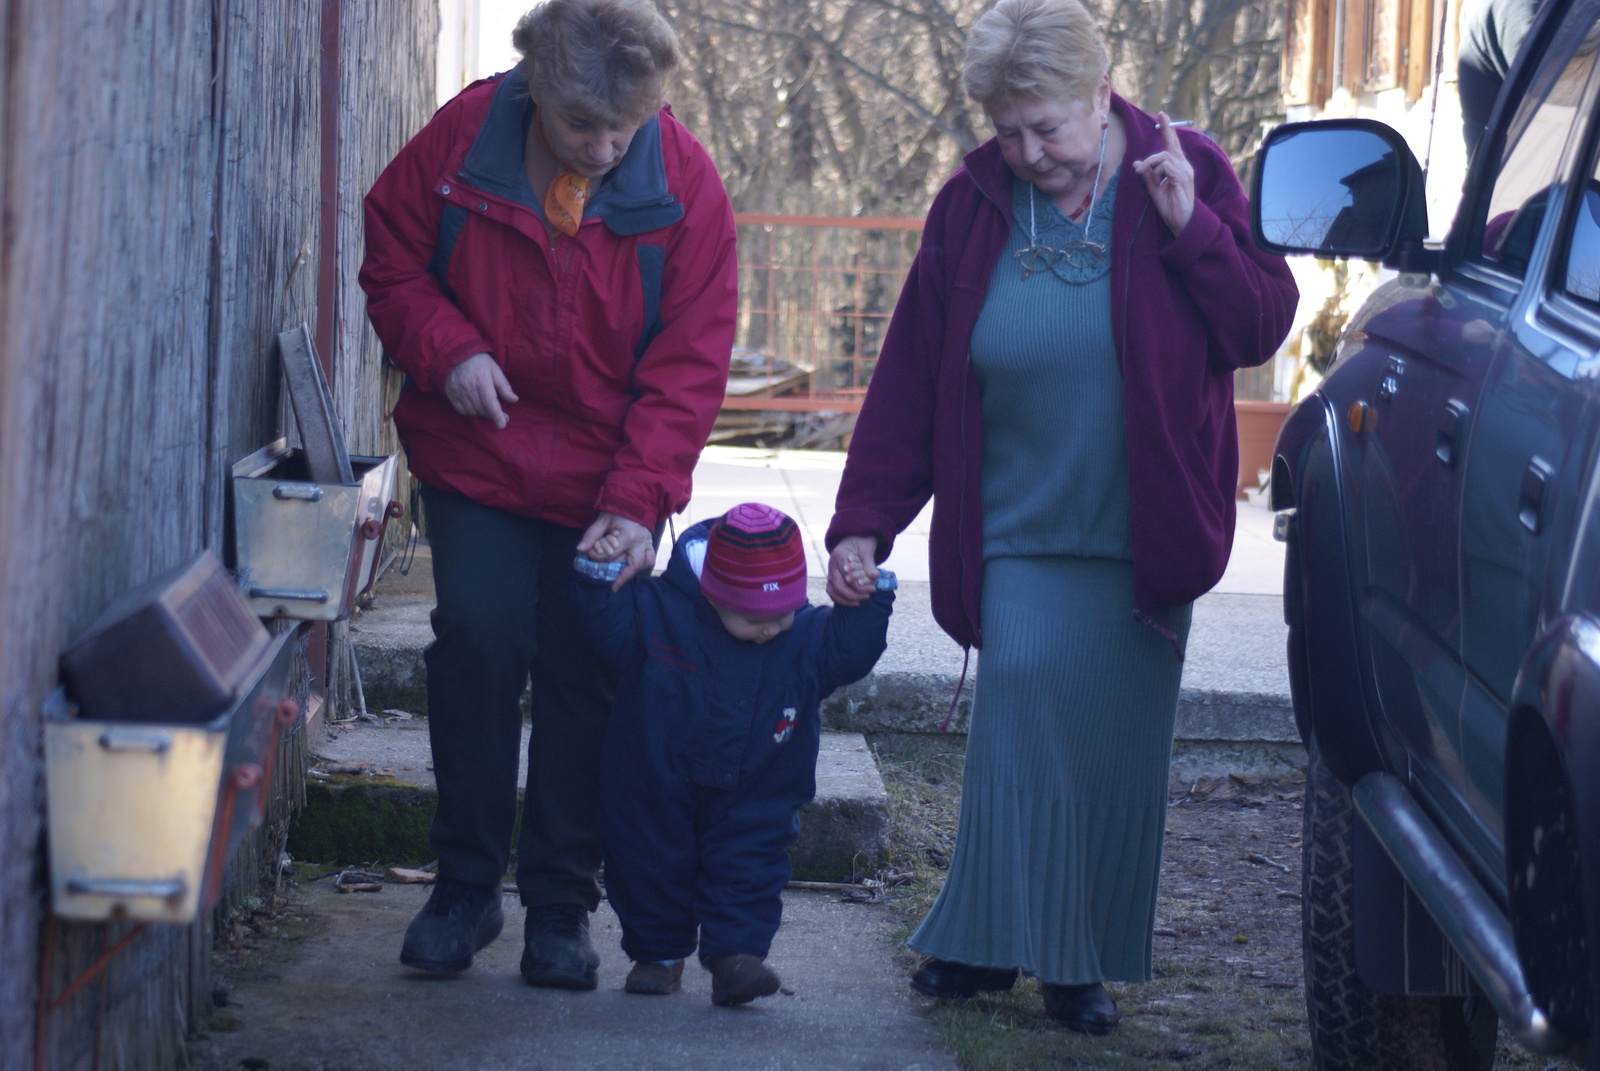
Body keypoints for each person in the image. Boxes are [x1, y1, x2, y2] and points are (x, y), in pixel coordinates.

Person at [824, 0, 1297, 1034]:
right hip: (1015, 525)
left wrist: (1192, 227)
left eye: (1048, 127)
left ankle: (1023, 948)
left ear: (1100, 93)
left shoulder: (1189, 169)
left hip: (1143, 530)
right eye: (1007, 131)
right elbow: (911, 371)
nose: (1029, 152)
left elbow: (1259, 322)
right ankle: (1034, 948)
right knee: (1023, 715)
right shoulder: (971, 202)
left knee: (1111, 749)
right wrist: (865, 520)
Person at [358, 0, 737, 988]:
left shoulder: (686, 185)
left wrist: (638, 499)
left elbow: (691, 364)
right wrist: (450, 351)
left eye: (625, 128)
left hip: (608, 476)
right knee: (480, 641)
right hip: (479, 447)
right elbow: (391, 253)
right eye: (581, 128)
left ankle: (561, 906)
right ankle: (465, 887)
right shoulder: (464, 132)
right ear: (537, 94)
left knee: (584, 673)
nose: (604, 147)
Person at [570, 504, 896, 1004]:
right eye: (751, 619)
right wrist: (599, 573)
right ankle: (657, 955)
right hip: (655, 776)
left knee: (750, 862)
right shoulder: (661, 612)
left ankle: (737, 957)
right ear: (713, 596)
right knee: (648, 858)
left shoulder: (805, 637)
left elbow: (847, 652)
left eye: (784, 613)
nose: (771, 628)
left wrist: (871, 600)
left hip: (761, 783)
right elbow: (607, 628)